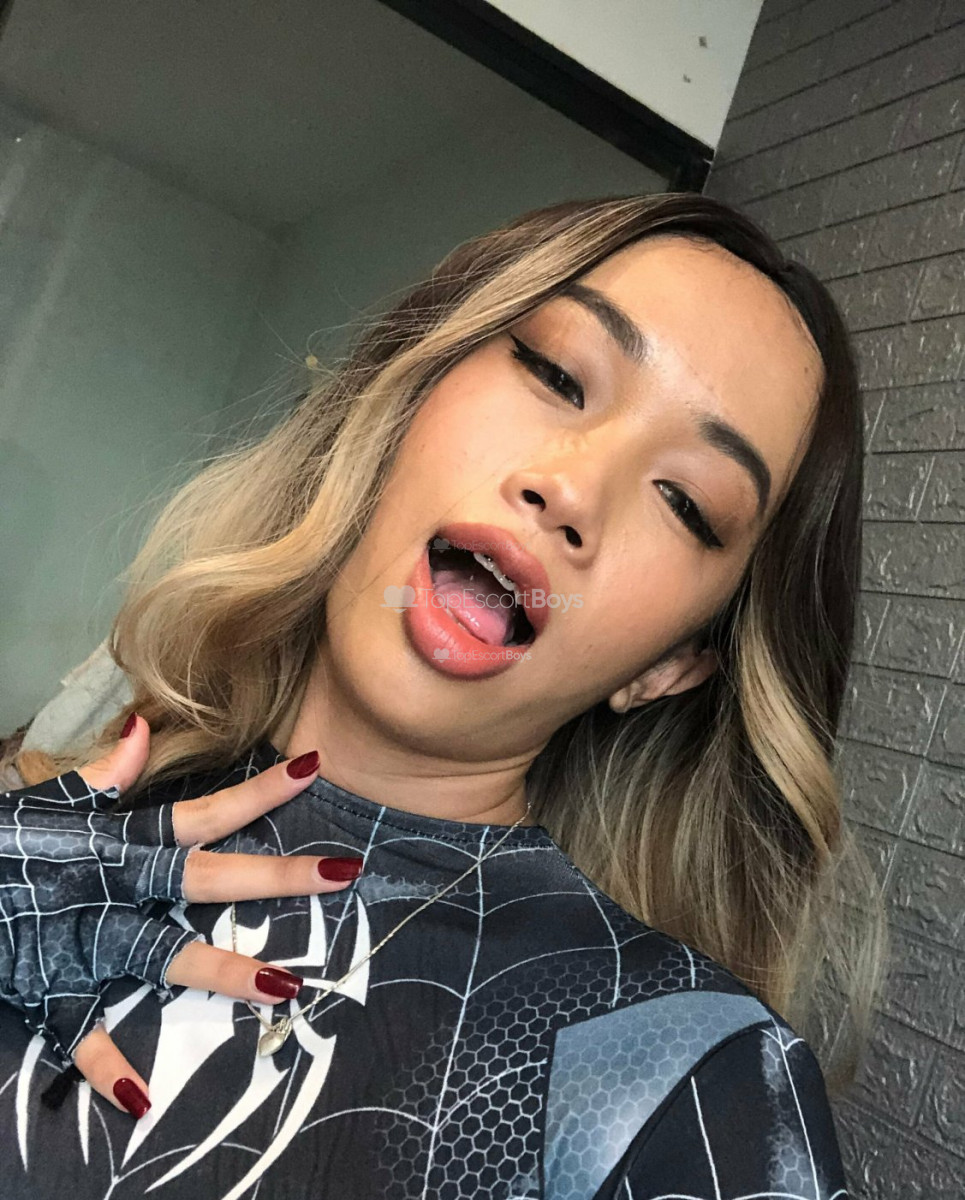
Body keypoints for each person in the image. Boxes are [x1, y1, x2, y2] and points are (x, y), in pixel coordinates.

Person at [0, 192, 886, 1199]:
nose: (572, 488)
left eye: (686, 502)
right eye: (557, 374)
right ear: (404, 397)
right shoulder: (54, 824)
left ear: (672, 665)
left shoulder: (691, 1085)